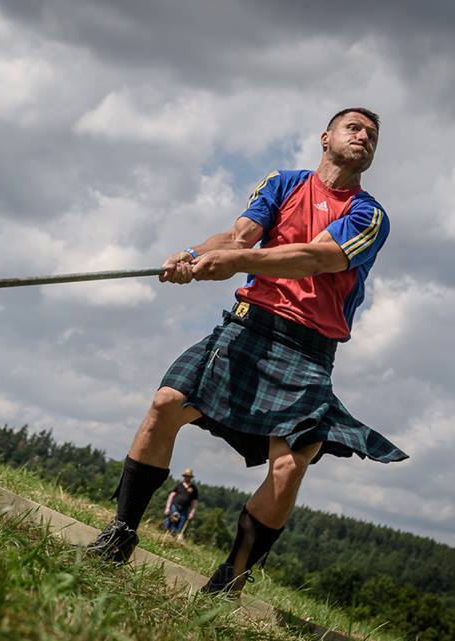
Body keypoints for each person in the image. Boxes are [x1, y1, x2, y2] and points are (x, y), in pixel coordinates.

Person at [87, 107, 408, 598]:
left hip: (307, 347)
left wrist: (235, 261)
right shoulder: (282, 183)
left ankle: (229, 582)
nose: (364, 136)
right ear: (325, 137)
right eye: (354, 127)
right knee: (167, 403)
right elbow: (237, 237)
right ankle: (121, 535)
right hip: (247, 325)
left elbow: (312, 257)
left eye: (372, 134)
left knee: (289, 467)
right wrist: (193, 254)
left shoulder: (369, 215)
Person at [163, 468, 199, 536]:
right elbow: (171, 496)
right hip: (175, 507)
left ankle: (172, 538)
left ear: (191, 477)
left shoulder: (194, 488)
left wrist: (192, 513)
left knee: (179, 528)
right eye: (186, 476)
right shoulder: (179, 485)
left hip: (185, 510)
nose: (187, 477)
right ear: (184, 476)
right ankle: (165, 536)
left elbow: (194, 502)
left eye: (189, 476)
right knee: (169, 523)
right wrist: (167, 508)